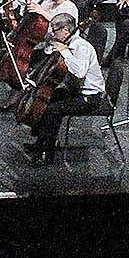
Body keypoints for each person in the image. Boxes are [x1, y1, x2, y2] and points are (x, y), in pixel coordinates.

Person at [24, 15, 106, 165]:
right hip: (75, 90)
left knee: (52, 110)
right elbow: (48, 54)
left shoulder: (82, 47)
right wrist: (51, 43)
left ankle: (46, 154)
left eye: (55, 30)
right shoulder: (64, 42)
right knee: (45, 99)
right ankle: (41, 141)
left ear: (66, 30)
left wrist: (65, 52)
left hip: (89, 96)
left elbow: (79, 72)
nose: (52, 33)